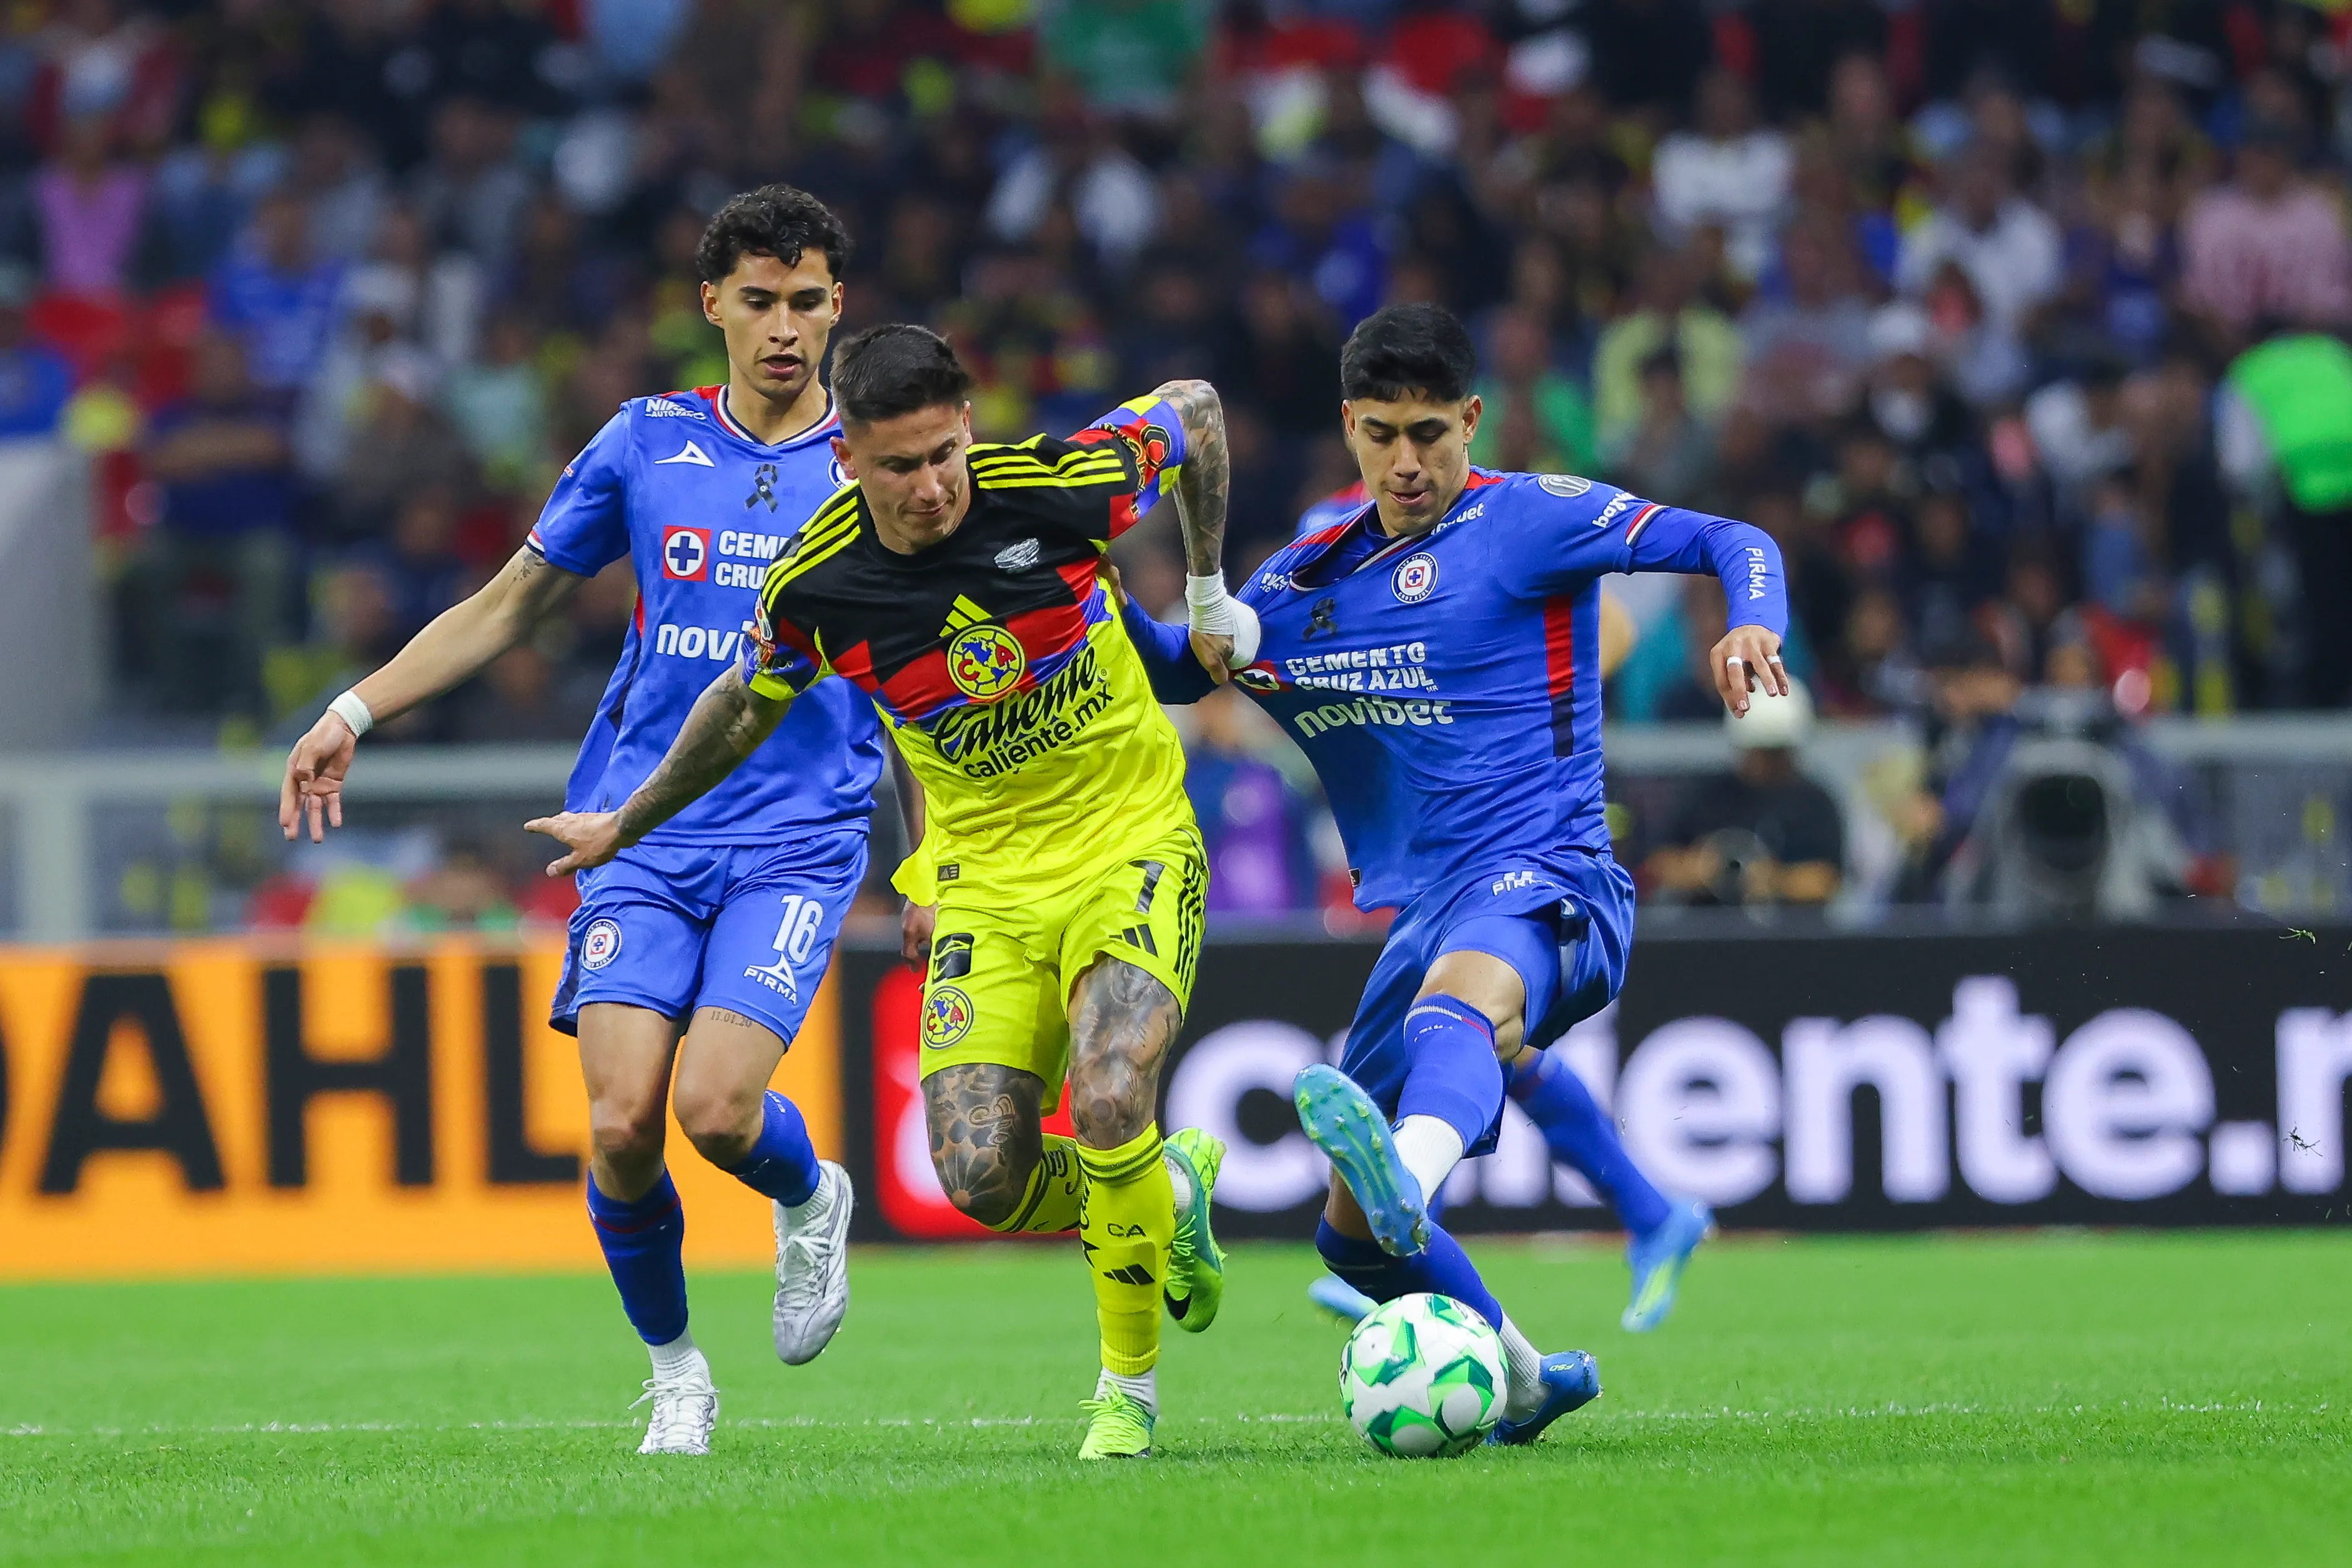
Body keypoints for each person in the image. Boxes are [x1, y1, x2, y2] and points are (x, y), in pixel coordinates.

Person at [523, 325, 1238, 1462]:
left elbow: (1194, 407)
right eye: (900, 465)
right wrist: (628, 819)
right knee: (982, 1178)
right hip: (985, 884)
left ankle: (1127, 1394)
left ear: (968, 428)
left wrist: (1205, 590)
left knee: (1110, 1096)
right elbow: (744, 706)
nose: (933, 486)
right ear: (848, 459)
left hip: (1129, 841)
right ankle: (1167, 1196)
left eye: (946, 453)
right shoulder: (817, 582)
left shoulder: (1060, 485)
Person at [279, 187, 891, 1459]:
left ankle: (809, 1189)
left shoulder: (880, 463)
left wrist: (939, 850)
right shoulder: (645, 443)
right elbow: (510, 603)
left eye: (807, 301)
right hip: (636, 829)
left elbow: (932, 664)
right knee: (619, 1125)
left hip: (797, 833)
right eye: (761, 301)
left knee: (715, 1113)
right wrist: (354, 707)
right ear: (712, 303)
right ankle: (676, 1373)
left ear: (839, 305)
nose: (785, 328)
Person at [1127, 305, 1790, 1428]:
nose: (1407, 461)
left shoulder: (1531, 518)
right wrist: (1074, 593)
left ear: (1470, 420)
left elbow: (1736, 540)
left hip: (1553, 872)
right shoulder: (1305, 579)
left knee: (1457, 1018)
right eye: (1383, 434)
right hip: (1427, 912)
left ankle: (1412, 1173)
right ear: (1349, 426)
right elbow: (1180, 672)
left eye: (1430, 433)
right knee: (1350, 1242)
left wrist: (1752, 621)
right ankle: (1523, 1377)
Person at [1644, 680, 1845, 907]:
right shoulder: (1709, 797)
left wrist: (1775, 880)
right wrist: (1701, 868)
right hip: (1711, 923)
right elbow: (1659, 865)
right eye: (1759, 751)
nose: (1767, 763)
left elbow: (1828, 881)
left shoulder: (1814, 803)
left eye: (1777, 752)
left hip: (1790, 926)